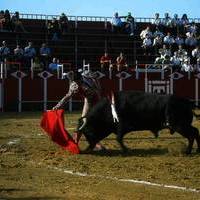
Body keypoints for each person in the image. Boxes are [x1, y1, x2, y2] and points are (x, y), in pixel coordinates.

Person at [52, 69, 113, 151]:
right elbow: (67, 97)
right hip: (90, 100)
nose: (78, 82)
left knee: (94, 123)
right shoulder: (75, 86)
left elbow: (96, 79)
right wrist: (57, 106)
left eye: (79, 80)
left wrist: (97, 86)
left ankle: (92, 142)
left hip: (97, 100)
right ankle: (76, 141)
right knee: (84, 121)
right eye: (77, 81)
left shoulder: (87, 76)